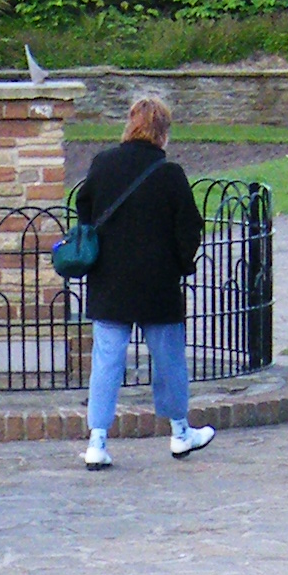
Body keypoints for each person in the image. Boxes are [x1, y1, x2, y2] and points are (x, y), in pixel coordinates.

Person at [76, 91, 214, 468]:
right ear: (162, 132)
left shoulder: (103, 164)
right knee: (169, 360)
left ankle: (97, 440)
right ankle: (180, 433)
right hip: (157, 282)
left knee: (107, 361)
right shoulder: (169, 174)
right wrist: (181, 264)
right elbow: (189, 227)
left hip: (109, 280)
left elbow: (84, 210)